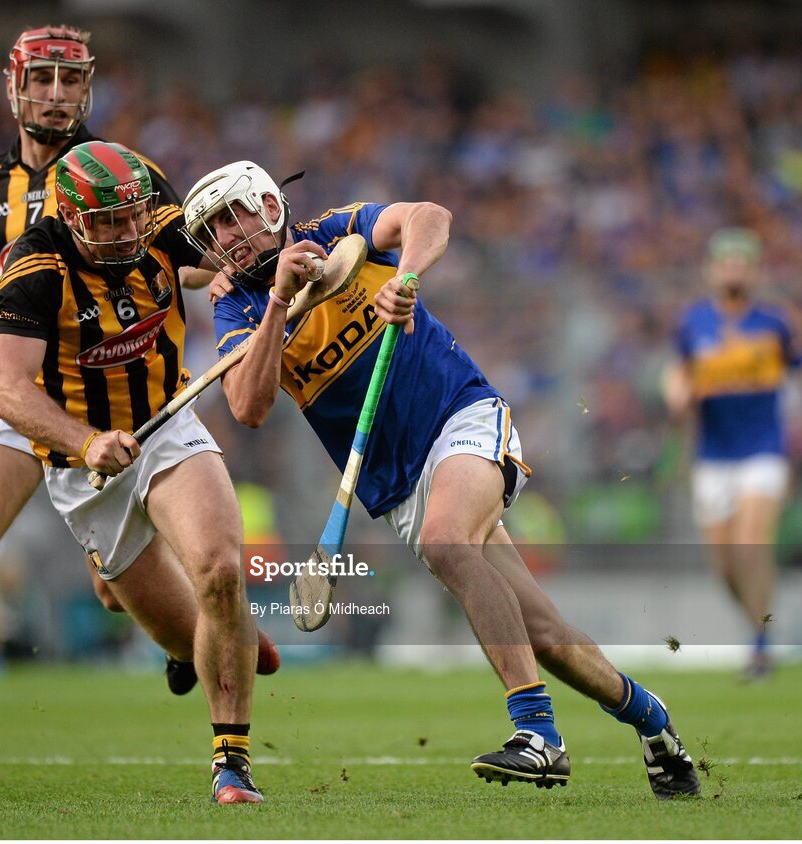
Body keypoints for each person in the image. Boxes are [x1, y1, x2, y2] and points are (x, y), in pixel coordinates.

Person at [182, 160, 701, 798]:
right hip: (398, 485)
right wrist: (281, 304)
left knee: (447, 541)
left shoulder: (339, 228)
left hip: (462, 416)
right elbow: (248, 406)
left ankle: (538, 735)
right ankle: (656, 726)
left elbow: (429, 217)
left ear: (267, 204)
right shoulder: (237, 306)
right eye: (213, 229)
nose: (228, 235)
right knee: (547, 636)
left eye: (234, 215)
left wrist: (406, 277)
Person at [0, 25, 273, 794]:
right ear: (14, 86)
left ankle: (225, 730)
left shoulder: (127, 179)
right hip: (32, 385)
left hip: (147, 399)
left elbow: (196, 259)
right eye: (45, 80)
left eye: (73, 82)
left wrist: (249, 269)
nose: (59, 95)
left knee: (218, 575)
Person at [0, 141, 264, 803]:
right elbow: (7, 389)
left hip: (168, 423)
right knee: (183, 631)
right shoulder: (33, 267)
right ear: (73, 216)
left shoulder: (159, 224)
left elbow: (222, 261)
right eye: (108, 223)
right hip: (86, 467)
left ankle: (231, 763)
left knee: (221, 572)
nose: (126, 233)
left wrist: (239, 271)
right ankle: (190, 647)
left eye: (133, 216)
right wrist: (85, 442)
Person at [663, 227, 798, 680]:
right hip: (713, 456)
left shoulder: (776, 324)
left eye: (743, 262)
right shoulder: (693, 323)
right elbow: (679, 375)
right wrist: (677, 395)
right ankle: (761, 632)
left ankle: (759, 647)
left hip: (763, 449)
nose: (733, 269)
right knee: (723, 565)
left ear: (755, 270)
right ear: (711, 270)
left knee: (750, 542)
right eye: (726, 262)